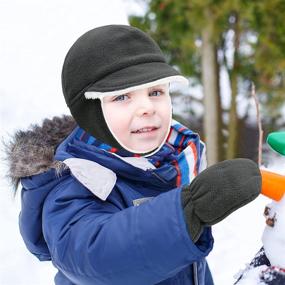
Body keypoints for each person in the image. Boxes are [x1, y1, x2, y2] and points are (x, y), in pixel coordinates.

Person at [4, 24, 262, 285]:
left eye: (156, 92)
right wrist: (189, 211)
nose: (147, 107)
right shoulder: (72, 184)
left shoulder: (168, 163)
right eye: (122, 97)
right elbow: (94, 257)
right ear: (89, 112)